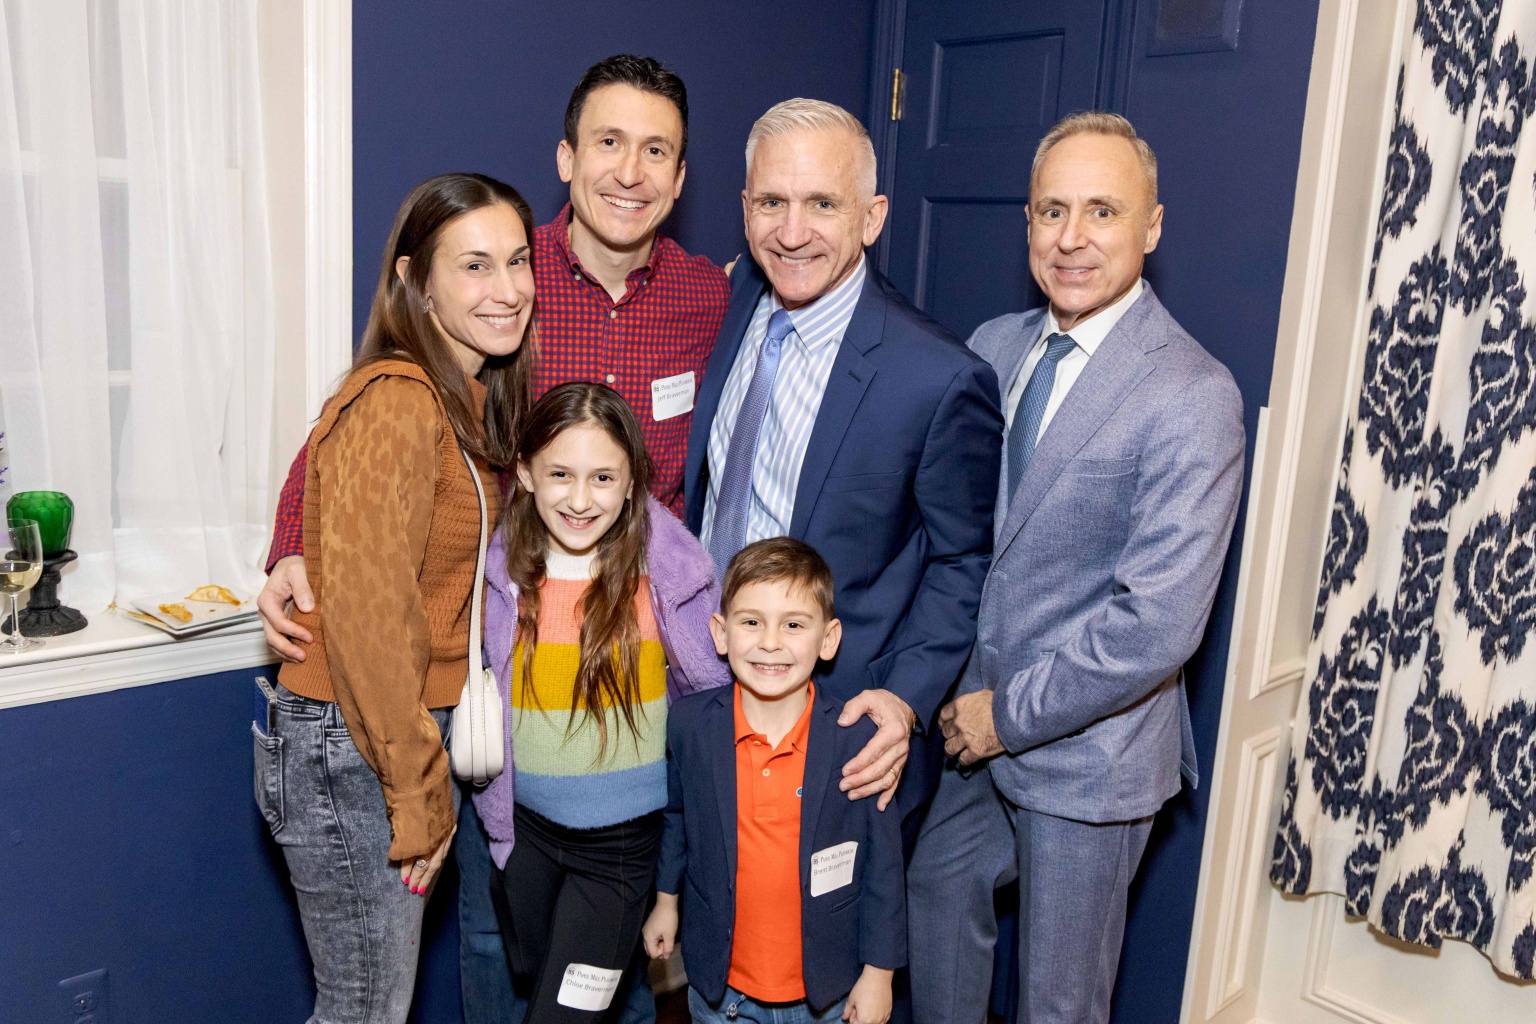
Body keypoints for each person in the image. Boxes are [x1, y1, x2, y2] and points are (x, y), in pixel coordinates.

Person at [257, 54, 727, 1022]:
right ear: (566, 157)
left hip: (629, 691)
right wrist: (294, 544)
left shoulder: (711, 300)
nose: (629, 170)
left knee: (621, 950)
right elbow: (347, 435)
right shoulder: (505, 271)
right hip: (493, 691)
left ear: (682, 178)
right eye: (608, 142)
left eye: (656, 151)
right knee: (486, 938)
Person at [906, 112, 1246, 1024]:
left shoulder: (1192, 394)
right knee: (933, 902)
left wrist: (1005, 718)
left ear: (1152, 226)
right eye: (1052, 211)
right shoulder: (994, 345)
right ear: (1026, 223)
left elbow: (1157, 624)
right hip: (972, 726)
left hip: (1091, 754)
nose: (1071, 238)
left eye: (1103, 211)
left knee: (1058, 1003)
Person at [251, 172, 537, 1024]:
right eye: (475, 266)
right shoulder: (399, 400)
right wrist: (417, 791)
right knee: (364, 1008)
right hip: (358, 744)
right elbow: (373, 623)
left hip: (388, 734)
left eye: (518, 261)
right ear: (415, 280)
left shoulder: (464, 399)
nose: (508, 289)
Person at [685, 99, 1002, 827]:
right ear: (744, 208)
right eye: (772, 202)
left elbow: (962, 560)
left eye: (823, 204)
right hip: (700, 690)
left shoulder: (938, 377)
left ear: (872, 217)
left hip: (840, 730)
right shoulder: (734, 298)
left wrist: (905, 698)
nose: (792, 233)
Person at [473, 381, 732, 1022]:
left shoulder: (666, 568)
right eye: (560, 474)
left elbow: (712, 685)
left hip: (620, 853)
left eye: (603, 478)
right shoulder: (502, 567)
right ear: (526, 473)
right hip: (524, 838)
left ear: (632, 482)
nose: (581, 499)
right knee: (538, 984)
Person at [642, 537, 905, 1024]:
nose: (770, 642)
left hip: (827, 991)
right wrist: (665, 901)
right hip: (721, 992)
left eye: (793, 625)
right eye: (751, 622)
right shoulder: (689, 724)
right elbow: (677, 818)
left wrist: (879, 973)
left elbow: (884, 866)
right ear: (721, 633)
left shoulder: (859, 741)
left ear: (828, 639)